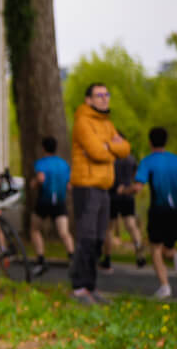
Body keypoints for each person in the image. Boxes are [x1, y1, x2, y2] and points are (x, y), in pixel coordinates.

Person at [69, 83, 129, 303]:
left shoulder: (107, 123)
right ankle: (78, 287)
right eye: (99, 95)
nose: (104, 99)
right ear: (88, 100)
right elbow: (96, 152)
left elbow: (125, 149)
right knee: (86, 238)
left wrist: (108, 147)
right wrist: (110, 147)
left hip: (104, 187)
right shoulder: (83, 121)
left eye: (107, 94)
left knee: (98, 239)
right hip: (86, 186)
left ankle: (91, 286)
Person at [134, 127, 177, 299]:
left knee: (155, 249)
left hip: (158, 209)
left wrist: (125, 191)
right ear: (166, 141)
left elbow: (138, 186)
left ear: (149, 142)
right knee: (167, 248)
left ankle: (164, 287)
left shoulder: (147, 162)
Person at [29, 136, 74, 277]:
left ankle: (41, 259)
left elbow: (40, 179)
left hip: (44, 201)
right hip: (60, 202)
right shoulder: (64, 165)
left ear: (43, 148)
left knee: (35, 229)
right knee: (64, 232)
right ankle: (73, 259)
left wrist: (34, 183)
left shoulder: (41, 163)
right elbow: (69, 185)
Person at [103, 150, 144, 270]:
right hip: (128, 195)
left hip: (112, 195)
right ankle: (139, 254)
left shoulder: (110, 158)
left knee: (109, 229)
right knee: (131, 225)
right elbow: (137, 176)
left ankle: (107, 258)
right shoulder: (131, 159)